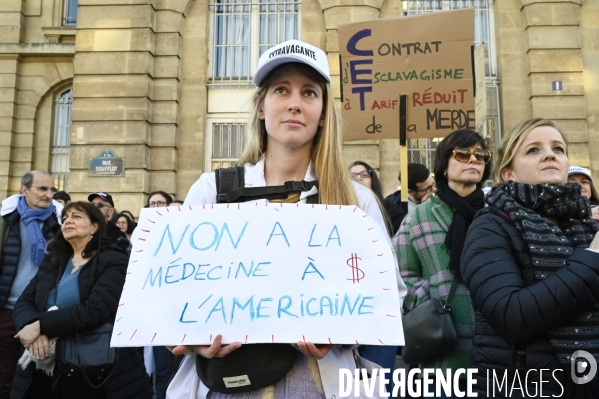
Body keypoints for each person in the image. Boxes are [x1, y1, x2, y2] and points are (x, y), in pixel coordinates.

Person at [177, 39, 406, 399]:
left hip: (319, 384)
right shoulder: (212, 192)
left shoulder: (356, 200)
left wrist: (339, 331)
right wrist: (194, 339)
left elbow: (388, 293)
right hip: (224, 383)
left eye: (310, 93)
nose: (295, 104)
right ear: (261, 107)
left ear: (324, 112)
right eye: (281, 90)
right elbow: (174, 290)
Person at [461, 118, 599, 397]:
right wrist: (593, 258)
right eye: (533, 150)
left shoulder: (587, 223)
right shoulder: (491, 226)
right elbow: (511, 316)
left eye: (558, 149)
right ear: (508, 173)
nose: (550, 154)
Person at [11, 201, 153, 399]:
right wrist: (33, 329)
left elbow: (97, 309)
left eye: (76, 216)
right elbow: (24, 301)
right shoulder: (54, 259)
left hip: (92, 366)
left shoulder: (114, 259)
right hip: (41, 362)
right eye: (65, 218)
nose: (68, 221)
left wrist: (43, 325)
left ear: (94, 226)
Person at [394, 129, 491, 397]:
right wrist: (430, 299)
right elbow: (399, 275)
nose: (473, 160)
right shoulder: (419, 217)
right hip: (444, 351)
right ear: (444, 165)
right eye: (463, 153)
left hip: (497, 350)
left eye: (481, 155)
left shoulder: (497, 212)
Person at [0, 171, 61, 399]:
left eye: (51, 189)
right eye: (42, 189)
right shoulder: (7, 221)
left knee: (38, 378)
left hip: (40, 314)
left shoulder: (60, 224)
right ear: (24, 190)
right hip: (6, 310)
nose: (49, 194)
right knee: (5, 376)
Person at [349, 160, 405, 236]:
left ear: (373, 181)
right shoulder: (341, 210)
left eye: (364, 175)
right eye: (352, 176)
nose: (358, 178)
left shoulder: (392, 211)